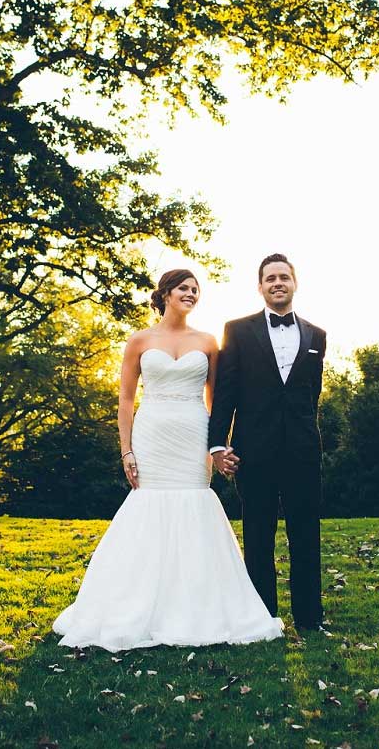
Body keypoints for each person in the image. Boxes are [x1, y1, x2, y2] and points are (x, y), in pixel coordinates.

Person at [53, 268, 283, 651]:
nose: (191, 294)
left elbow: (218, 402)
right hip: (152, 432)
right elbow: (126, 400)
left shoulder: (208, 342)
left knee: (194, 504)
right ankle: (137, 605)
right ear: (165, 294)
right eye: (184, 288)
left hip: (193, 433)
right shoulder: (140, 341)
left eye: (196, 290)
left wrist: (218, 445)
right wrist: (126, 449)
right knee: (150, 506)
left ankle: (196, 607)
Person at [208, 254, 326, 632]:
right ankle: (262, 620)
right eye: (270, 278)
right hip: (253, 451)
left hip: (303, 452)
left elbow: (312, 396)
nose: (278, 283)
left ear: (295, 283)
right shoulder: (238, 331)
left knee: (306, 535)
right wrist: (217, 445)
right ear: (259, 287)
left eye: (284, 277)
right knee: (258, 537)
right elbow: (225, 393)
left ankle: (310, 619)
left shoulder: (316, 336)